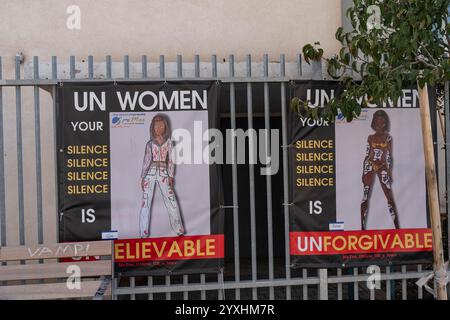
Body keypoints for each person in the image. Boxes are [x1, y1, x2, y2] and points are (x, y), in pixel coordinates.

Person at [139, 114, 185, 237]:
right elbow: (146, 161)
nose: (158, 128)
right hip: (150, 172)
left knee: (171, 200)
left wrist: (171, 175)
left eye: (161, 125)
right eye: (156, 126)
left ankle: (178, 229)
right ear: (152, 128)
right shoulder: (149, 144)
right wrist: (143, 177)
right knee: (146, 201)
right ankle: (143, 232)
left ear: (165, 126)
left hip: (164, 173)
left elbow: (171, 161)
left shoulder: (169, 143)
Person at [360, 110, 400, 230]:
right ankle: (362, 227)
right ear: (374, 122)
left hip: (382, 165)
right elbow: (367, 154)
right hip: (370, 164)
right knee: (365, 195)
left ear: (385, 122)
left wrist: (389, 171)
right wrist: (363, 172)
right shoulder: (370, 137)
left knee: (389, 196)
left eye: (382, 121)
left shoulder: (388, 137)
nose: (380, 124)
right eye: (378, 121)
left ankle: (397, 227)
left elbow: (388, 155)